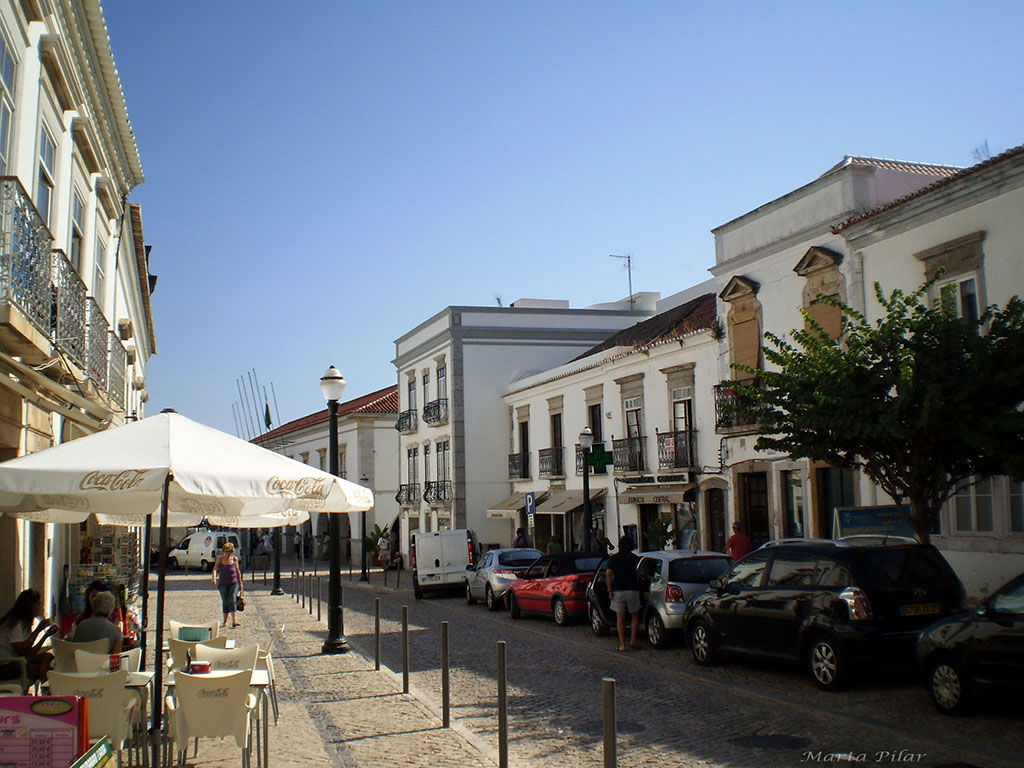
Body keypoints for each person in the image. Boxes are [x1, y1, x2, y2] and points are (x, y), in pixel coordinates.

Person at [0, 589, 57, 682]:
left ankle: (44, 682)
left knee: (47, 657)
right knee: (41, 667)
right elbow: (21, 651)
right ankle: (44, 683)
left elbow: (30, 652)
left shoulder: (24, 623)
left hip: (17, 660)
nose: (40, 607)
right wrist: (37, 630)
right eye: (38, 604)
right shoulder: (15, 624)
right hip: (7, 663)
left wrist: (45, 635)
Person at [605, 535, 642, 652]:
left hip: (618, 590)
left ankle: (622, 644)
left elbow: (608, 574)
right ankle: (633, 641)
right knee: (634, 616)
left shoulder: (613, 559)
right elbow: (640, 573)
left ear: (620, 546)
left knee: (620, 618)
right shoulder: (635, 558)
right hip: (633, 589)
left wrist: (609, 589)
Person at [212, 542, 244, 628]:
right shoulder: (220, 559)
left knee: (232, 599)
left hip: (233, 583)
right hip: (223, 584)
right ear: (223, 551)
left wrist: (240, 583)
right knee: (225, 601)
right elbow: (215, 569)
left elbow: (237, 571)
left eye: (229, 551)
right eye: (226, 551)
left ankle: (235, 620)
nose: (227, 553)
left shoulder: (234, 559)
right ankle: (225, 621)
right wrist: (214, 578)